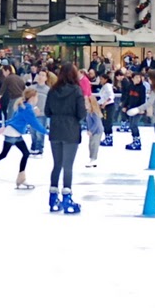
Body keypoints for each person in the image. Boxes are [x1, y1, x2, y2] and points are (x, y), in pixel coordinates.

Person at [0, 88, 47, 190]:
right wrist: (47, 132)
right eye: (36, 97)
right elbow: (35, 123)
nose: (37, 99)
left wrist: (5, 125)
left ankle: (20, 178)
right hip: (13, 133)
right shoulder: (27, 109)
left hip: (14, 132)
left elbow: (14, 119)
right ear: (32, 97)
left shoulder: (23, 105)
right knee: (4, 154)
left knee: (24, 153)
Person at [44, 64, 87, 213]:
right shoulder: (76, 90)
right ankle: (67, 197)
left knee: (57, 164)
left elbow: (47, 111)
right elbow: (81, 113)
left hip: (56, 129)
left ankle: (52, 197)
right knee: (68, 166)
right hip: (71, 130)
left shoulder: (52, 90)